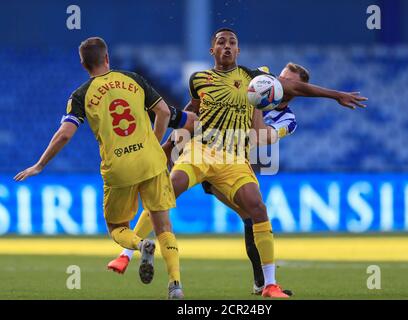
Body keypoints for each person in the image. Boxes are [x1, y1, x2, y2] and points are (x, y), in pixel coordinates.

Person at [107, 62, 307, 297]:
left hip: (232, 164)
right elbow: (199, 108)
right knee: (166, 192)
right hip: (203, 152)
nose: (280, 82)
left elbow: (260, 136)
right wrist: (172, 143)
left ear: (297, 91)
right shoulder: (248, 82)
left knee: (252, 215)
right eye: (281, 77)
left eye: (288, 82)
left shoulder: (287, 118)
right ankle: (127, 254)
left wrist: (257, 103)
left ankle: (261, 283)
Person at [13, 37, 185, 300]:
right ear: (107, 58)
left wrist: (40, 164)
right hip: (151, 161)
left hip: (119, 167)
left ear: (83, 64)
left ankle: (140, 245)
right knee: (163, 226)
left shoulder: (81, 95)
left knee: (117, 227)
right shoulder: (133, 79)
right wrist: (155, 143)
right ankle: (175, 285)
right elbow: (162, 111)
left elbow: (65, 134)